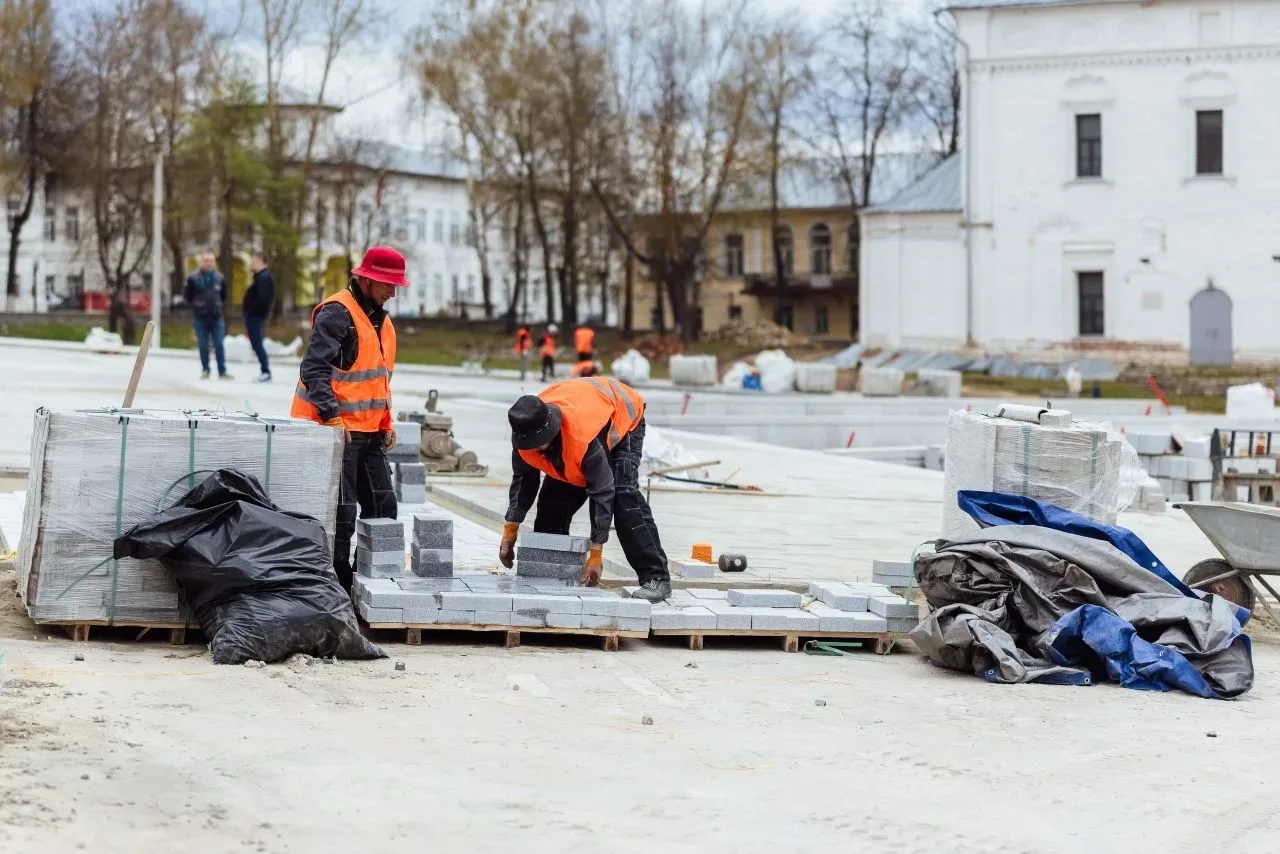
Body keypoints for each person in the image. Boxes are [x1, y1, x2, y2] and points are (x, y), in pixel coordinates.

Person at [291, 245, 407, 590]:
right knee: (342, 514)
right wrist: (331, 419)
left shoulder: (381, 321)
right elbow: (313, 370)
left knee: (384, 505)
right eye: (388, 283)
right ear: (367, 278)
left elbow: (377, 379)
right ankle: (336, 588)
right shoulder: (337, 313)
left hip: (368, 432)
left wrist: (387, 422)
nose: (393, 291)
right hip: (335, 431)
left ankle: (369, 584)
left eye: (397, 284)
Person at [499, 377, 672, 603]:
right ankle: (553, 573)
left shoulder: (580, 438)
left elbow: (602, 492)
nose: (534, 448)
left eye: (539, 443)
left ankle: (656, 577)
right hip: (584, 409)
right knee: (553, 501)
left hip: (622, 415)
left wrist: (596, 552)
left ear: (550, 431)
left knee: (623, 496)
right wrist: (511, 526)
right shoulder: (525, 431)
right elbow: (524, 479)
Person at [184, 251, 231, 380]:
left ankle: (222, 370)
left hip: (216, 317)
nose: (208, 263)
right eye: (206, 260)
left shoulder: (220, 278)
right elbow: (188, 296)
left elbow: (224, 296)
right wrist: (196, 307)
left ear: (214, 263)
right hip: (200, 317)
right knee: (203, 345)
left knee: (219, 344)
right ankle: (205, 369)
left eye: (211, 261)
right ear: (201, 262)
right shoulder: (193, 278)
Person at [244, 251, 275, 383]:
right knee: (256, 343)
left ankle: (265, 371)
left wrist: (252, 311)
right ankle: (265, 370)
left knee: (257, 343)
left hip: (256, 316)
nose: (252, 264)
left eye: (254, 261)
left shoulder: (264, 278)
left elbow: (263, 299)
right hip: (254, 315)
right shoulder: (260, 277)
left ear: (262, 262)